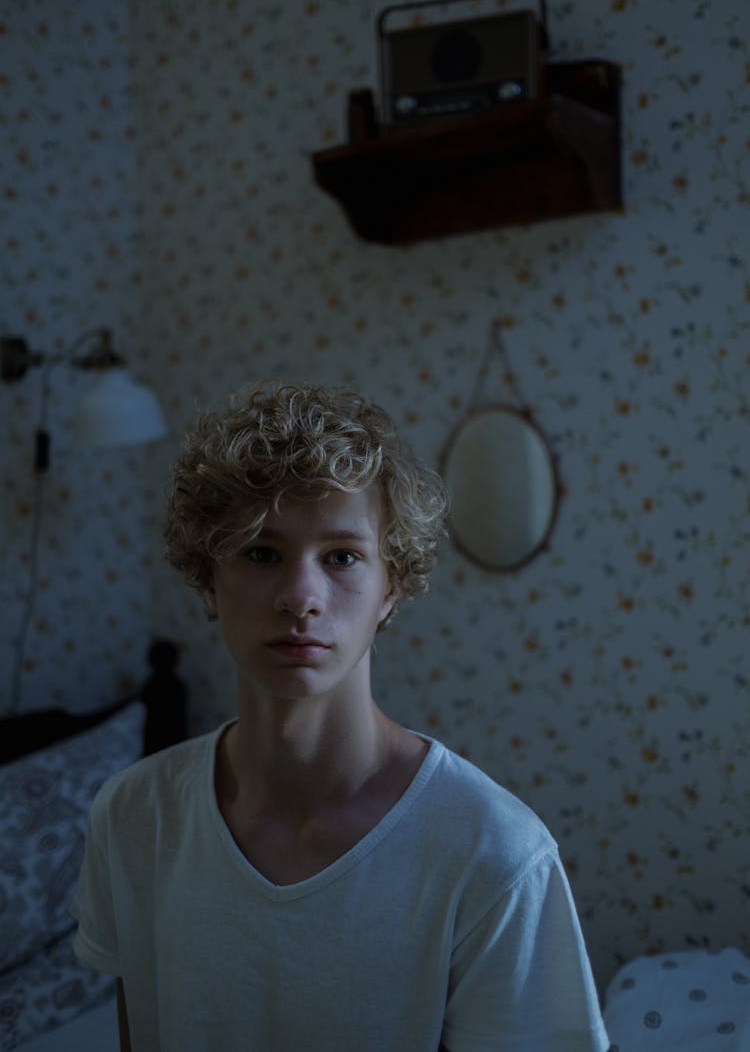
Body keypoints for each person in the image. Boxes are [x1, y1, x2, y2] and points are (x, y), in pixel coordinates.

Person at [70, 381, 611, 1052]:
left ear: (392, 587)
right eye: (262, 552)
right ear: (209, 580)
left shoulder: (494, 854)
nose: (302, 596)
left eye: (342, 557)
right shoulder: (133, 816)